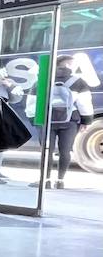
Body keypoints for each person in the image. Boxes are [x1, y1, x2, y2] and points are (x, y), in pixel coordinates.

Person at [45, 61, 86, 189]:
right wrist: (86, 120)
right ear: (68, 66)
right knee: (65, 151)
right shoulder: (78, 81)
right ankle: (60, 180)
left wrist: (34, 120)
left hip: (48, 120)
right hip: (69, 120)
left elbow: (33, 102)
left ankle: (46, 181)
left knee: (47, 151)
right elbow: (84, 104)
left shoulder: (44, 80)